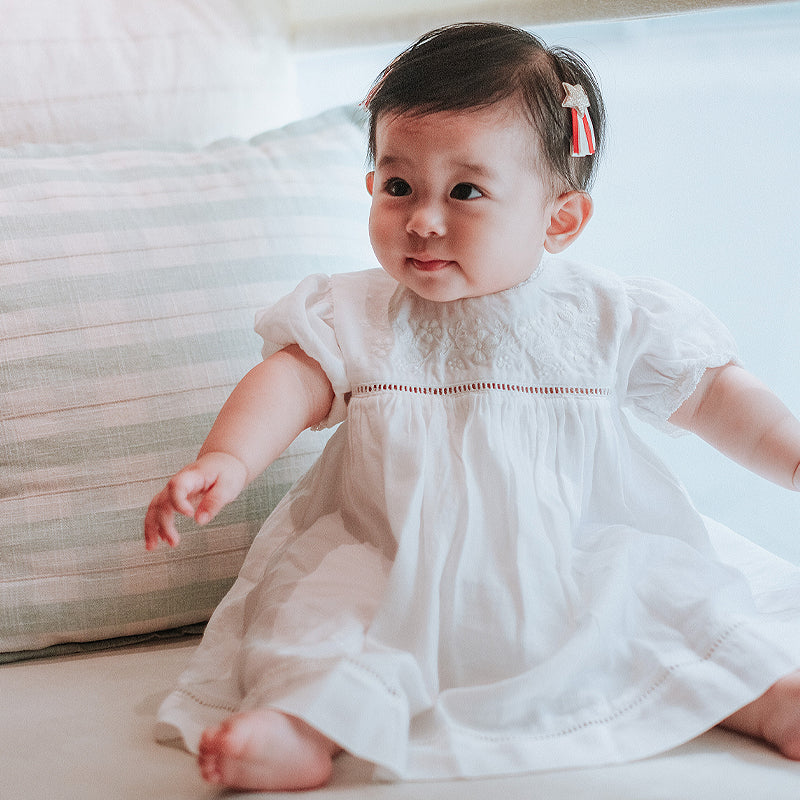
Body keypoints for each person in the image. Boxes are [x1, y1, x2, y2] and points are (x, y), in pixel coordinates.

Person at [145, 22, 800, 792]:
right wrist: (227, 456)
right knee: (317, 614)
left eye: (465, 191)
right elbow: (292, 380)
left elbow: (717, 395)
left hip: (575, 554)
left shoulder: (609, 314)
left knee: (668, 597)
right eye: (399, 187)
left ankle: (768, 698)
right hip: (385, 552)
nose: (423, 219)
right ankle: (299, 726)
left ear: (560, 218)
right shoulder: (355, 310)